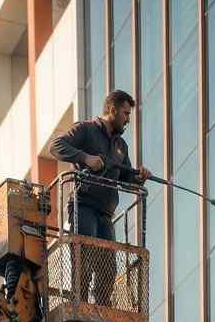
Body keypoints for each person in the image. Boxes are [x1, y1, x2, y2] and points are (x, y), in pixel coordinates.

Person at [50, 89, 152, 303]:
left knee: (108, 270)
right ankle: (81, 306)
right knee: (85, 261)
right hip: (84, 206)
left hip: (105, 214)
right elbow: (56, 146)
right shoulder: (86, 129)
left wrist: (139, 176)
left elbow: (126, 177)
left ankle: (100, 310)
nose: (128, 120)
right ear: (112, 109)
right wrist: (86, 158)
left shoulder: (120, 146)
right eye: (125, 114)